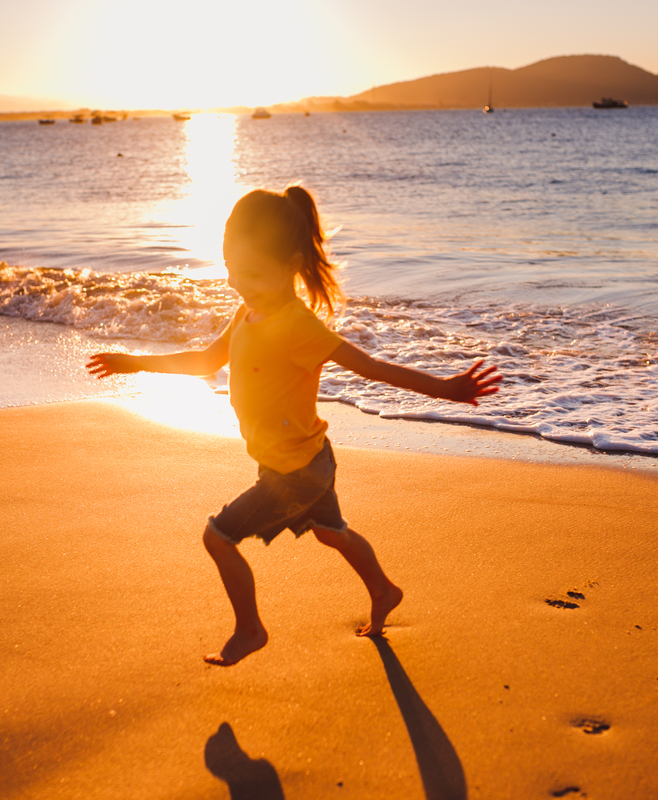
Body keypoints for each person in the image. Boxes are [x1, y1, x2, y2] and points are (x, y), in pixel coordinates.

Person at [87, 186, 501, 666]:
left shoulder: (298, 327)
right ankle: (385, 590)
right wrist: (134, 363)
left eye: (253, 273)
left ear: (290, 266)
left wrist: (446, 389)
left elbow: (370, 367)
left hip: (295, 472)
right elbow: (204, 361)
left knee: (217, 537)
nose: (240, 283)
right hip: (309, 457)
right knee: (331, 531)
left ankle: (250, 630)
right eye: (231, 270)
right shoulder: (248, 311)